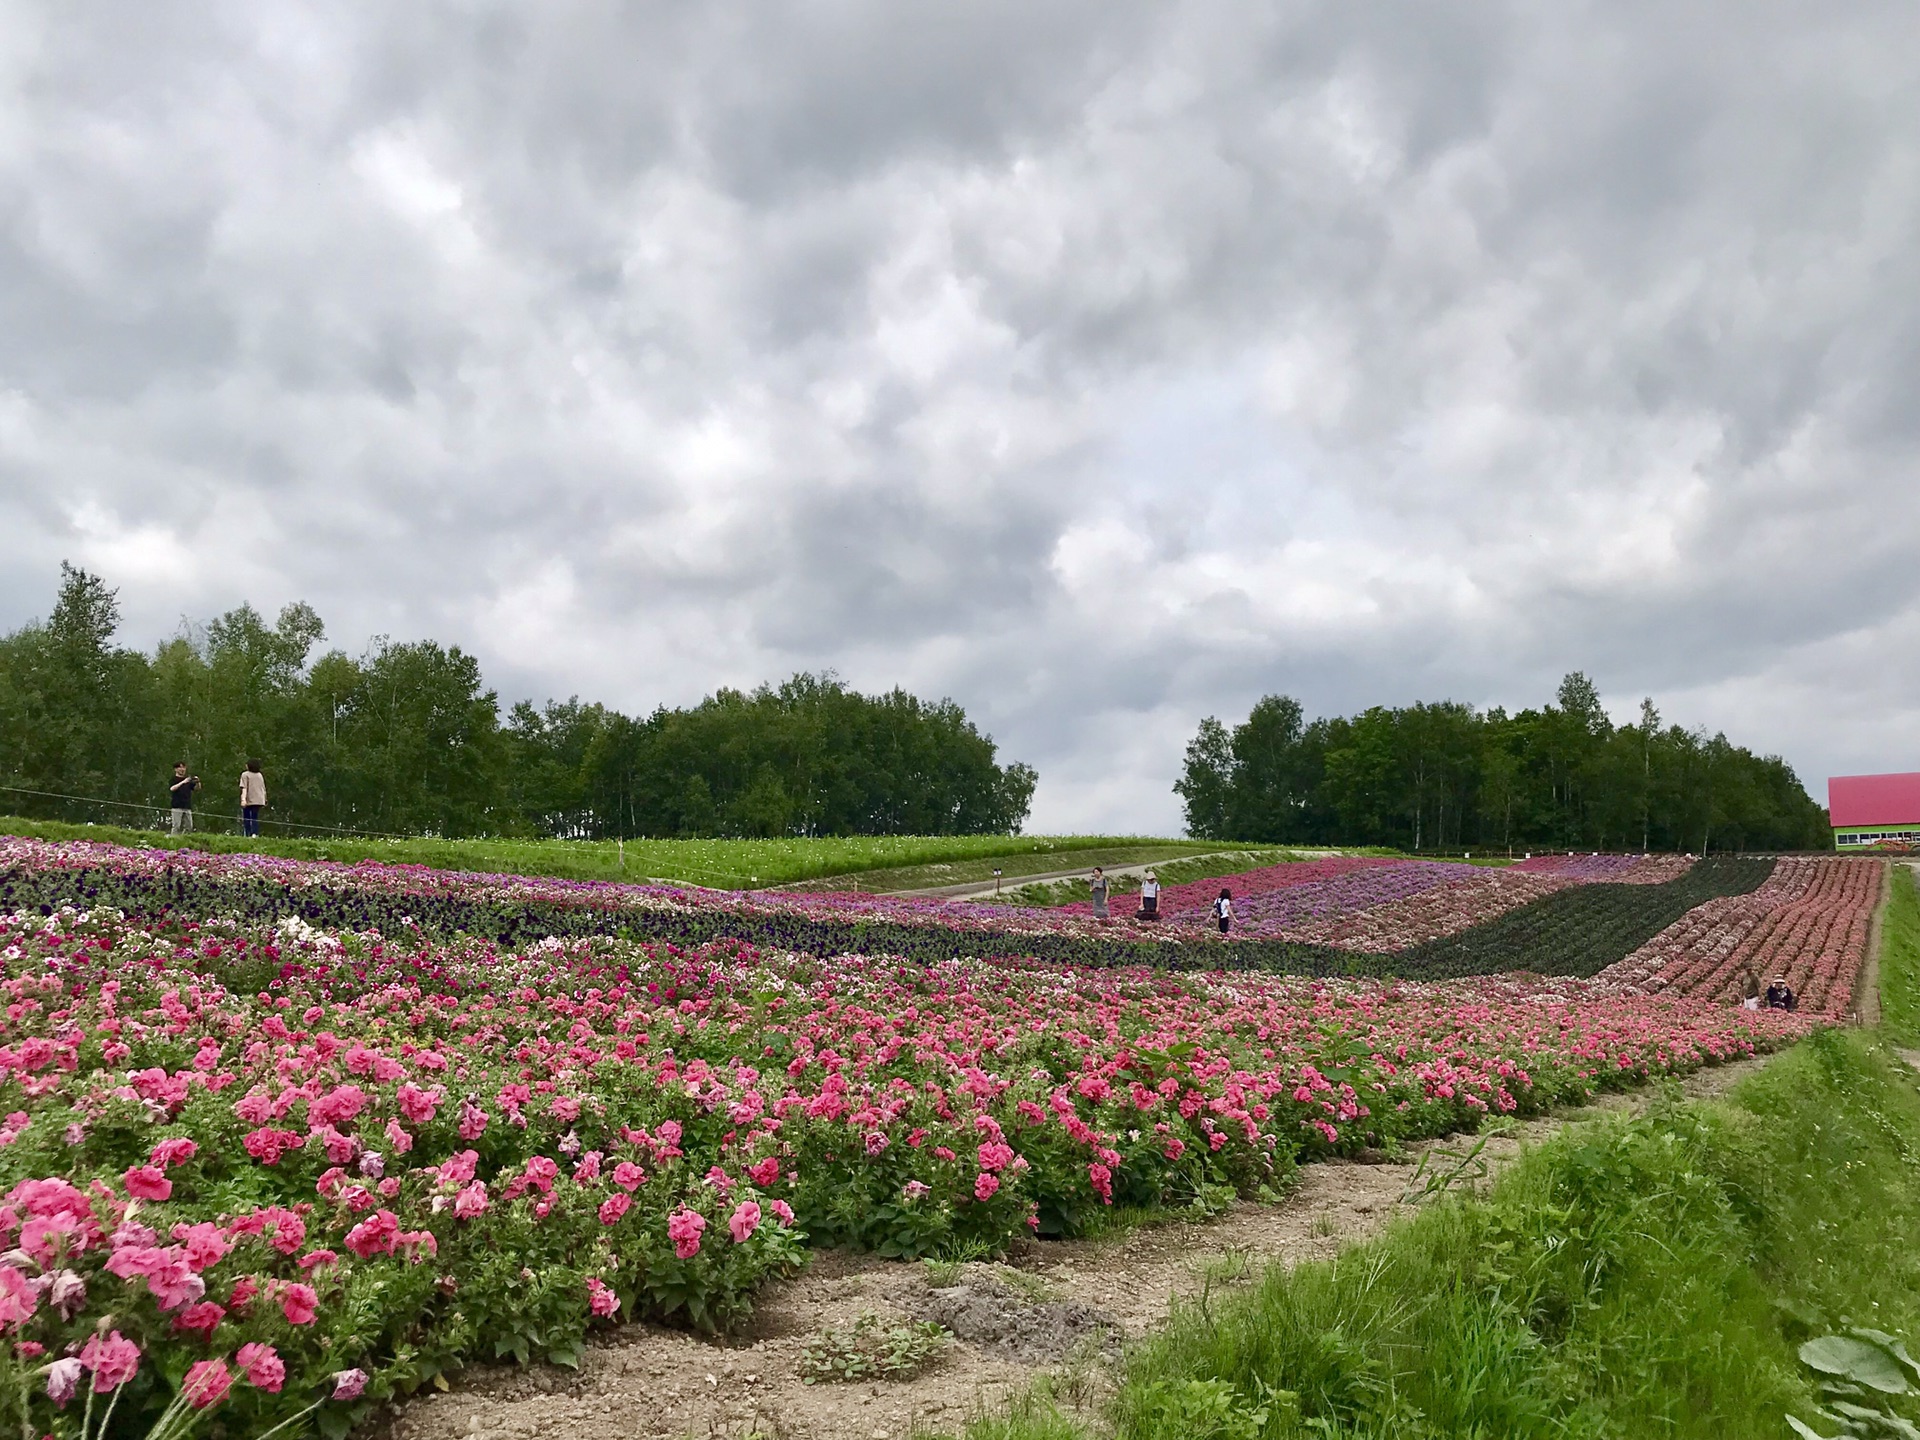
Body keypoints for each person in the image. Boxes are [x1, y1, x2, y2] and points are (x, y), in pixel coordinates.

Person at [167, 763, 200, 835]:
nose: (182, 769)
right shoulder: (173, 779)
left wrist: (197, 782)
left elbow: (196, 788)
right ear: (175, 769)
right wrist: (183, 782)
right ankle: (173, 840)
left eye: (184, 767)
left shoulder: (188, 780)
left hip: (187, 806)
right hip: (177, 806)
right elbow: (172, 788)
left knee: (189, 826)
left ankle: (185, 840)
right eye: (180, 767)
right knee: (176, 826)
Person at [240, 759, 267, 838]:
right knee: (255, 817)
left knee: (247, 817)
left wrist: (243, 799)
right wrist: (265, 799)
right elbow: (263, 788)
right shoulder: (259, 775)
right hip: (259, 799)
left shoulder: (245, 775)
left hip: (250, 799)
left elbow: (244, 788)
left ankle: (248, 833)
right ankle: (255, 833)